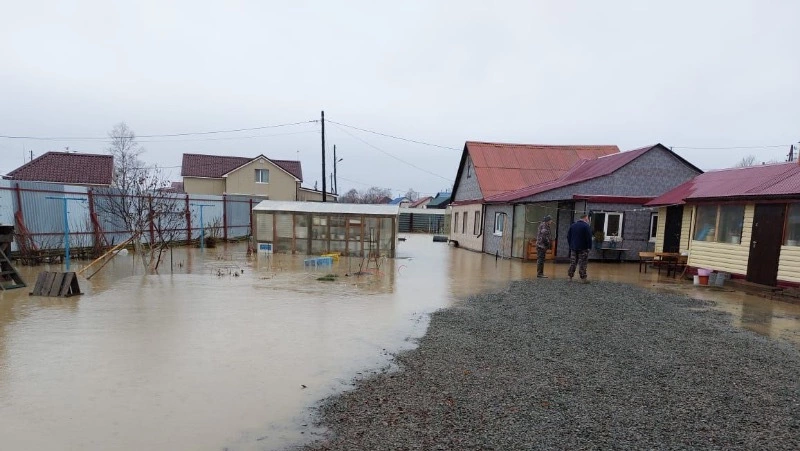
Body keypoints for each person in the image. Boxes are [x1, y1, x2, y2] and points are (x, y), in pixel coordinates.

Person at [567, 213, 593, 283]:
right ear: (585, 218)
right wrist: (589, 247)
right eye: (588, 219)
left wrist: (571, 245)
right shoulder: (586, 226)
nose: (588, 220)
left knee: (573, 262)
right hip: (583, 248)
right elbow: (589, 238)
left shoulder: (573, 225)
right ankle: (583, 278)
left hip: (574, 247)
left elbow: (568, 236)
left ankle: (570, 277)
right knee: (583, 263)